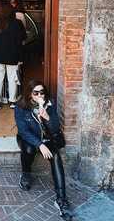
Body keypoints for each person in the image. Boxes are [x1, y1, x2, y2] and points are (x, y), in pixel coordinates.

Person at [15, 80, 72, 220]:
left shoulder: (49, 104)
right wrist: (39, 144)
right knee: (28, 150)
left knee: (56, 156)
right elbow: (23, 131)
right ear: (30, 94)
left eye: (42, 92)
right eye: (36, 93)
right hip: (29, 138)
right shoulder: (21, 106)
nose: (40, 95)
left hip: (47, 139)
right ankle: (26, 173)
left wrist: (47, 117)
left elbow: (55, 129)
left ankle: (61, 200)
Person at [0, 1, 27, 109]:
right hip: (13, 55)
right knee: (12, 78)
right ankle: (13, 101)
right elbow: (24, 37)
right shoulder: (17, 23)